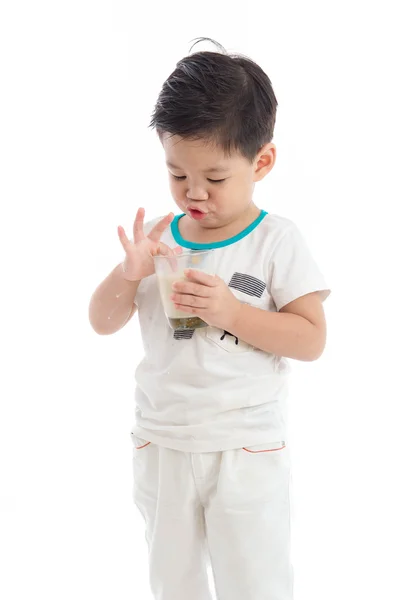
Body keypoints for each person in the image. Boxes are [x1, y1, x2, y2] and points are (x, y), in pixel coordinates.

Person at [89, 39, 330, 600]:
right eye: (177, 174)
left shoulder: (277, 240)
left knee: (256, 581)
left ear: (261, 161)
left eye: (215, 179)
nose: (194, 192)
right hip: (162, 442)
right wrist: (129, 274)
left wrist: (232, 311)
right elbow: (101, 322)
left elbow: (312, 339)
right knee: (174, 583)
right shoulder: (157, 239)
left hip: (243, 448)